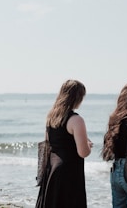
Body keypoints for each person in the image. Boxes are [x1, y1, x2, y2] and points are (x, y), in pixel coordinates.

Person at [36, 80, 93, 208]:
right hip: (69, 171)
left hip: (52, 168)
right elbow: (83, 152)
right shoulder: (76, 120)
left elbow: (48, 142)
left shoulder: (51, 117)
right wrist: (88, 145)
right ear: (78, 97)